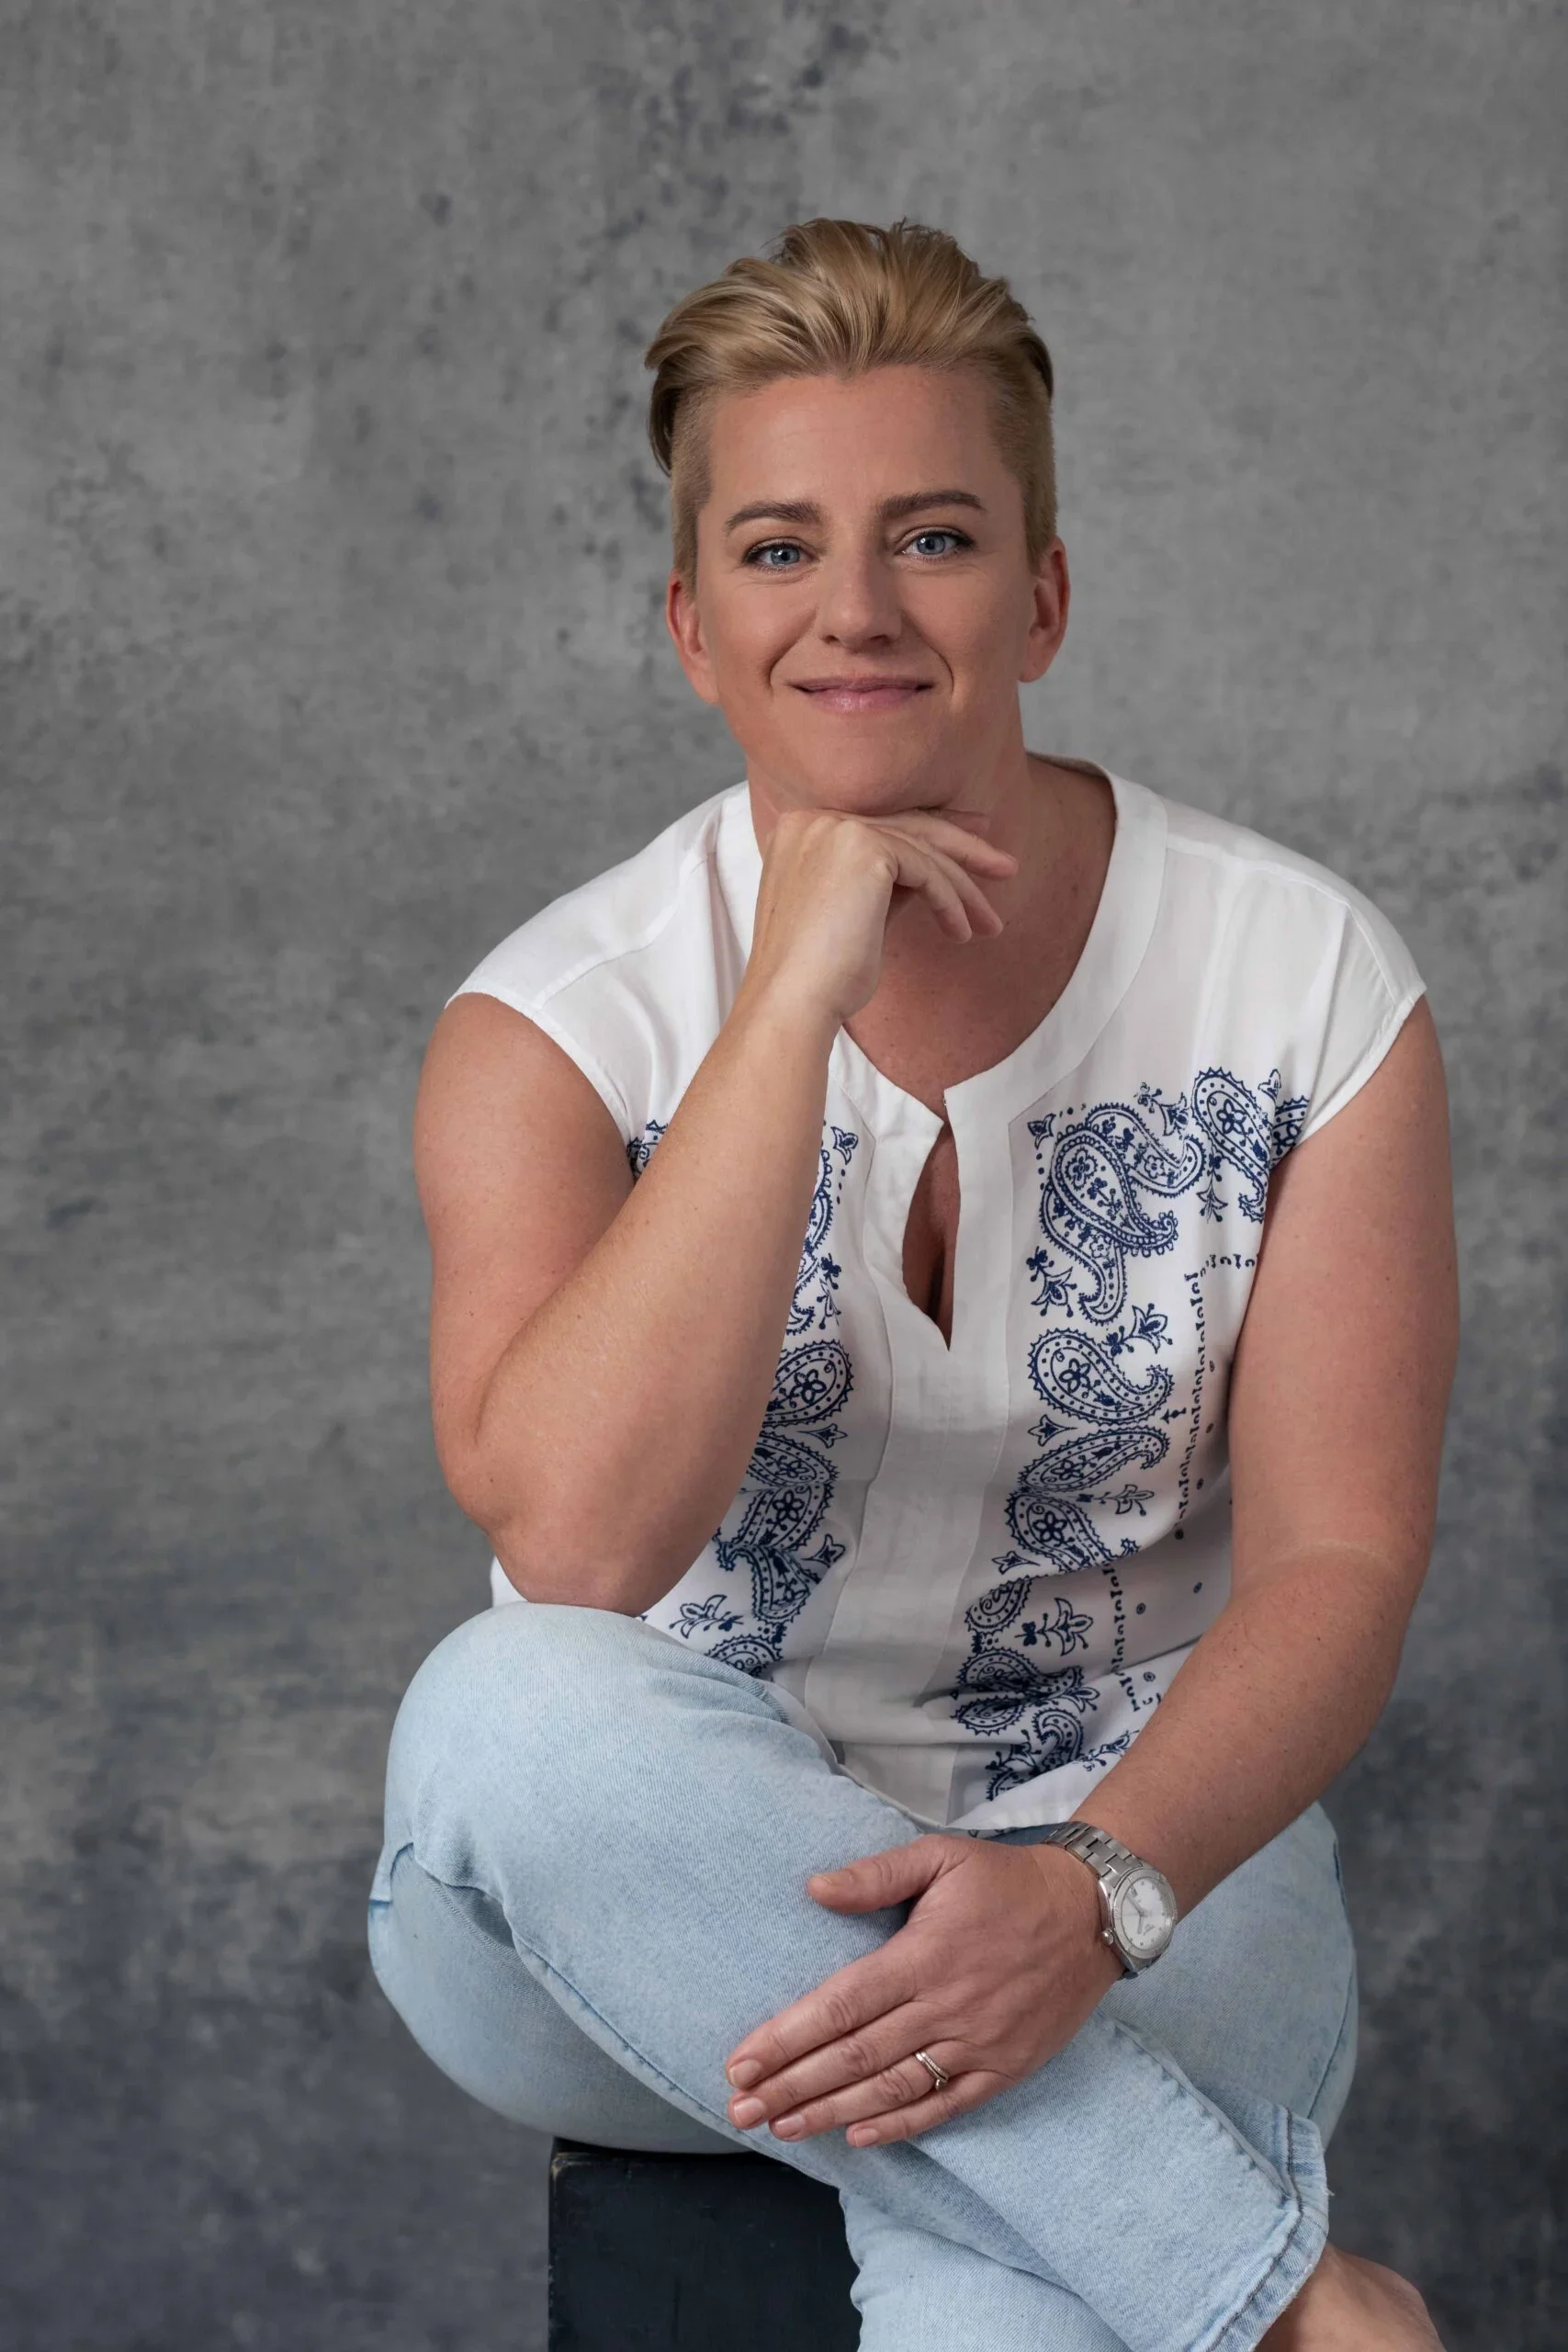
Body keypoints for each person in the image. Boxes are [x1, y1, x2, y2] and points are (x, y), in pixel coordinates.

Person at [368, 218, 1457, 2349]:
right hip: (626, 1898)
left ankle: (1105, 2229)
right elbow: (578, 1542)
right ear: (694, 625)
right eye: (779, 550)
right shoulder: (551, 1024)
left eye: (933, 536)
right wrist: (787, 1003)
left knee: (1015, 2260)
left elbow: (1341, 1558)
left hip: (1138, 1863)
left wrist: (1090, 1890)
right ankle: (1278, 2299)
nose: (854, 611)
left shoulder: (1306, 979)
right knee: (504, 1709)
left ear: (1039, 590)